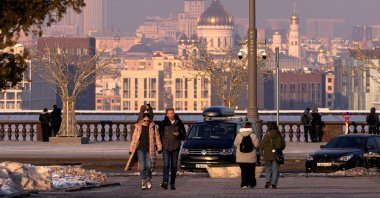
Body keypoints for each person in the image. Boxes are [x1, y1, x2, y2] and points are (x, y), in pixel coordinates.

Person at [128, 113, 162, 190]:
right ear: (142, 120)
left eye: (148, 120)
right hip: (140, 149)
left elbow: (157, 137)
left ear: (150, 120)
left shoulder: (153, 127)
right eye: (145, 120)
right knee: (142, 166)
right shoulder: (138, 127)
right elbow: (134, 139)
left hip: (150, 150)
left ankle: (148, 180)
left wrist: (159, 148)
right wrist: (131, 149)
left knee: (149, 166)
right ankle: (143, 181)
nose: (146, 122)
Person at [159, 108, 186, 190]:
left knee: (174, 166)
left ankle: (172, 183)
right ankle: (165, 182)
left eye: (173, 113)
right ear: (167, 114)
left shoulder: (179, 123)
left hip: (175, 147)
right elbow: (159, 135)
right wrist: (159, 146)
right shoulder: (163, 123)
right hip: (166, 147)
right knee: (166, 165)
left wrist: (179, 134)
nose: (172, 114)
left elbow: (184, 135)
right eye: (170, 113)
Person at [260, 122, 286, 189]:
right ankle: (274, 184)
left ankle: (268, 181)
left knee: (268, 169)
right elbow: (283, 145)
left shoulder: (267, 135)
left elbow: (262, 145)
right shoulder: (279, 135)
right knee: (275, 170)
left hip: (267, 155)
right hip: (276, 155)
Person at [234, 122, 259, 188]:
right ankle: (252, 184)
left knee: (244, 171)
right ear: (251, 128)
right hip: (251, 156)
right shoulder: (253, 135)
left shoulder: (239, 135)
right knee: (251, 171)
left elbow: (235, 144)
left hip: (241, 156)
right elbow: (256, 145)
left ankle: (244, 184)